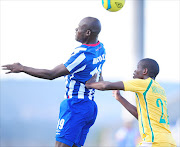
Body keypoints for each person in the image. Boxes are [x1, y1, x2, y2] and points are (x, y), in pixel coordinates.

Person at [2, 17, 106, 147]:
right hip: (89, 106)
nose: (76, 30)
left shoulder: (82, 55)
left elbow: (51, 74)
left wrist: (22, 68)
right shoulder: (100, 49)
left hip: (75, 105)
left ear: (88, 33)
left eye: (79, 28)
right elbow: (99, 75)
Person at [86, 58, 177, 147]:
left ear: (144, 71)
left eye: (138, 68)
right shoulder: (160, 89)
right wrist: (120, 98)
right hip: (168, 141)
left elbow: (106, 85)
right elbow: (140, 115)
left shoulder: (144, 83)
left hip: (154, 141)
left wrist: (88, 84)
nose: (135, 70)